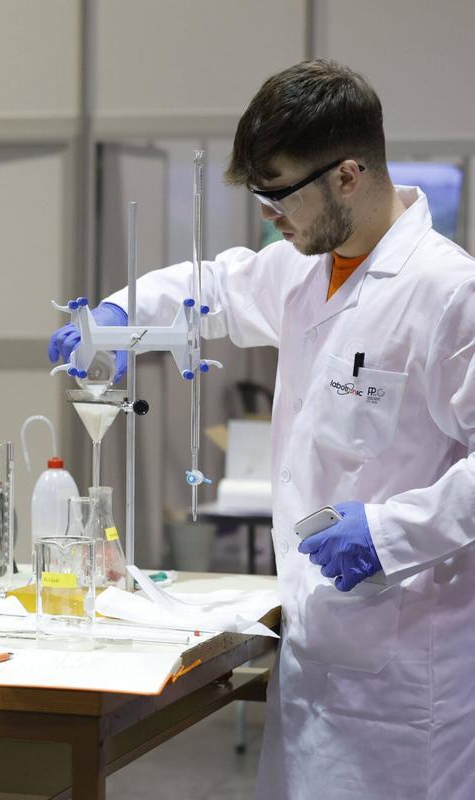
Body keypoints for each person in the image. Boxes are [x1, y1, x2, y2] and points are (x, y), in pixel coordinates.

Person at [50, 60, 475, 799]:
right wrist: (121, 316)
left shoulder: (447, 293)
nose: (269, 215)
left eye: (279, 193)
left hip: (406, 678)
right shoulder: (306, 270)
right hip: (316, 655)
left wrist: (388, 532)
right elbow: (213, 287)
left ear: (347, 176)